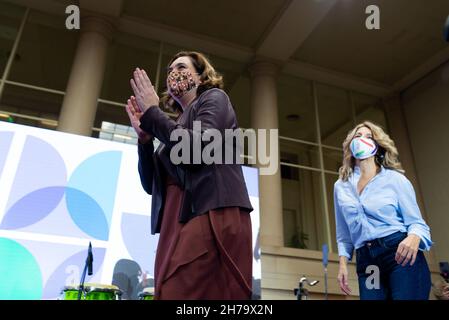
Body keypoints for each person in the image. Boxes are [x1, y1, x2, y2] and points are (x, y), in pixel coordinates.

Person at [125, 51, 253, 300]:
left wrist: (152, 112)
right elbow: (152, 186)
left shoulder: (214, 98)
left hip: (208, 210)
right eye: (170, 69)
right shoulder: (175, 122)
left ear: (201, 76)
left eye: (182, 67)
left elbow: (197, 150)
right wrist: (144, 142)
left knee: (182, 291)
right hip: (177, 217)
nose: (174, 73)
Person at [334, 121, 433, 300]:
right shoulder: (340, 186)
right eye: (357, 136)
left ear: (377, 146)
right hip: (368, 262)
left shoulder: (395, 180)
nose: (362, 140)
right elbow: (343, 235)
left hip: (399, 254)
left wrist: (413, 237)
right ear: (350, 144)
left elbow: (417, 224)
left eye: (369, 137)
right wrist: (342, 264)